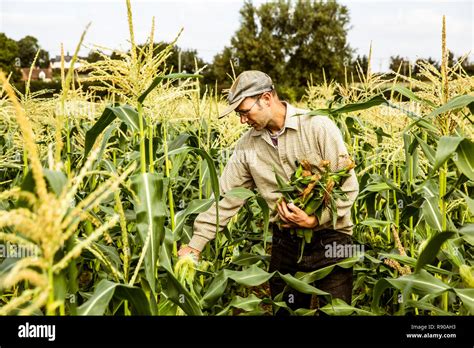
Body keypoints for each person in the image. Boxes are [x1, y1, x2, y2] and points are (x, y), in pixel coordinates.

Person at [178, 70, 359, 314]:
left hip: (332, 239)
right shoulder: (247, 147)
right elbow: (227, 197)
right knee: (286, 310)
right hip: (286, 244)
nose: (242, 120)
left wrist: (315, 219)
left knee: (336, 312)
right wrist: (196, 245)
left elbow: (347, 186)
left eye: (244, 111)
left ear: (266, 98)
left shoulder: (318, 127)